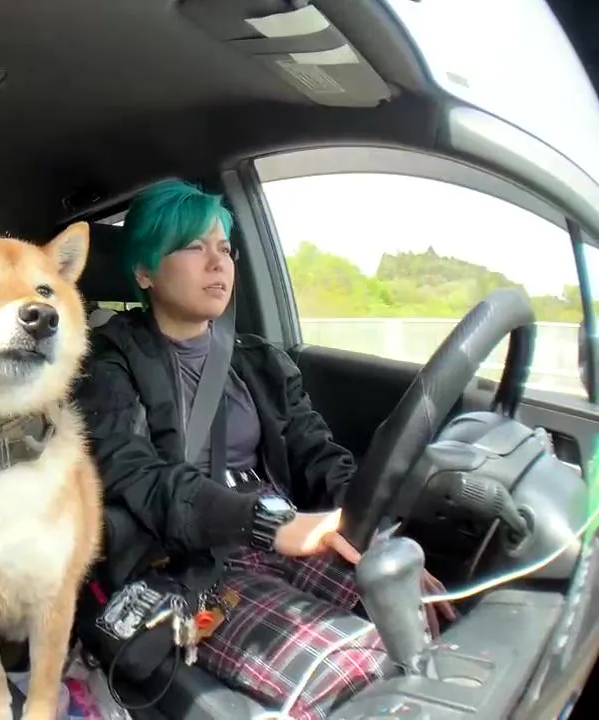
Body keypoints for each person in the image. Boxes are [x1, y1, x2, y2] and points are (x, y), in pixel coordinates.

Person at [72, 179, 452, 719]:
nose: (218, 263)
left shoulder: (260, 361)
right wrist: (264, 524)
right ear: (144, 272)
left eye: (225, 248)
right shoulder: (107, 368)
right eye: (193, 247)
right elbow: (140, 478)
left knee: (418, 611)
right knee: (360, 668)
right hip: (191, 557)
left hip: (281, 526)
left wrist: (373, 531)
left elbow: (317, 452)